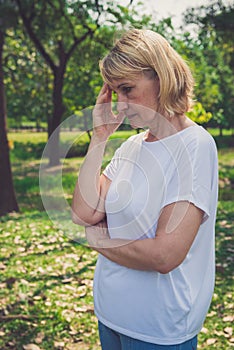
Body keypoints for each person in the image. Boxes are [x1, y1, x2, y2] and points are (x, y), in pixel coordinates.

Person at [71, 28, 218, 350]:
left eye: (128, 89)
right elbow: (84, 212)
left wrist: (100, 239)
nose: (120, 105)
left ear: (162, 79)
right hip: (110, 315)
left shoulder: (194, 146)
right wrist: (99, 137)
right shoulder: (131, 147)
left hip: (158, 330)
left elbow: (165, 255)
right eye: (114, 92)